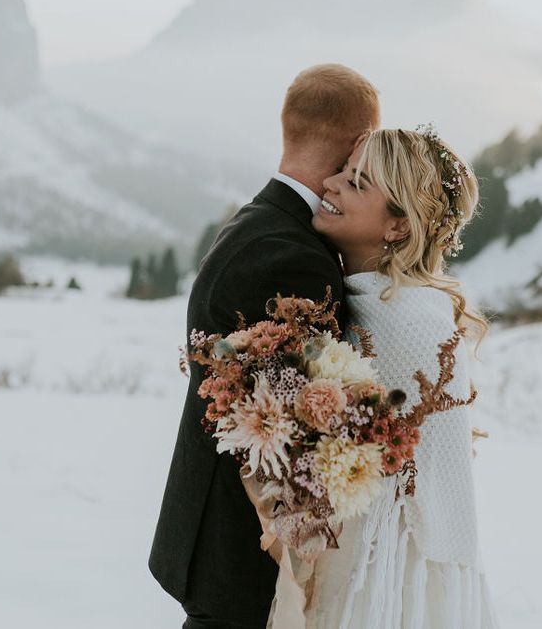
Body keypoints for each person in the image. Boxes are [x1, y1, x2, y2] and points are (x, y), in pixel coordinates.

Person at [148, 63, 380, 628]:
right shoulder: (293, 254)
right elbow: (296, 426)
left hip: (212, 530)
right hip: (241, 544)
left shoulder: (256, 221)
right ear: (358, 143)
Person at [289, 127, 502, 628]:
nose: (332, 183)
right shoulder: (356, 295)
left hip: (386, 573)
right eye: (343, 169)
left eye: (357, 183)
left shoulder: (411, 319)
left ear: (397, 227)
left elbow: (404, 481)